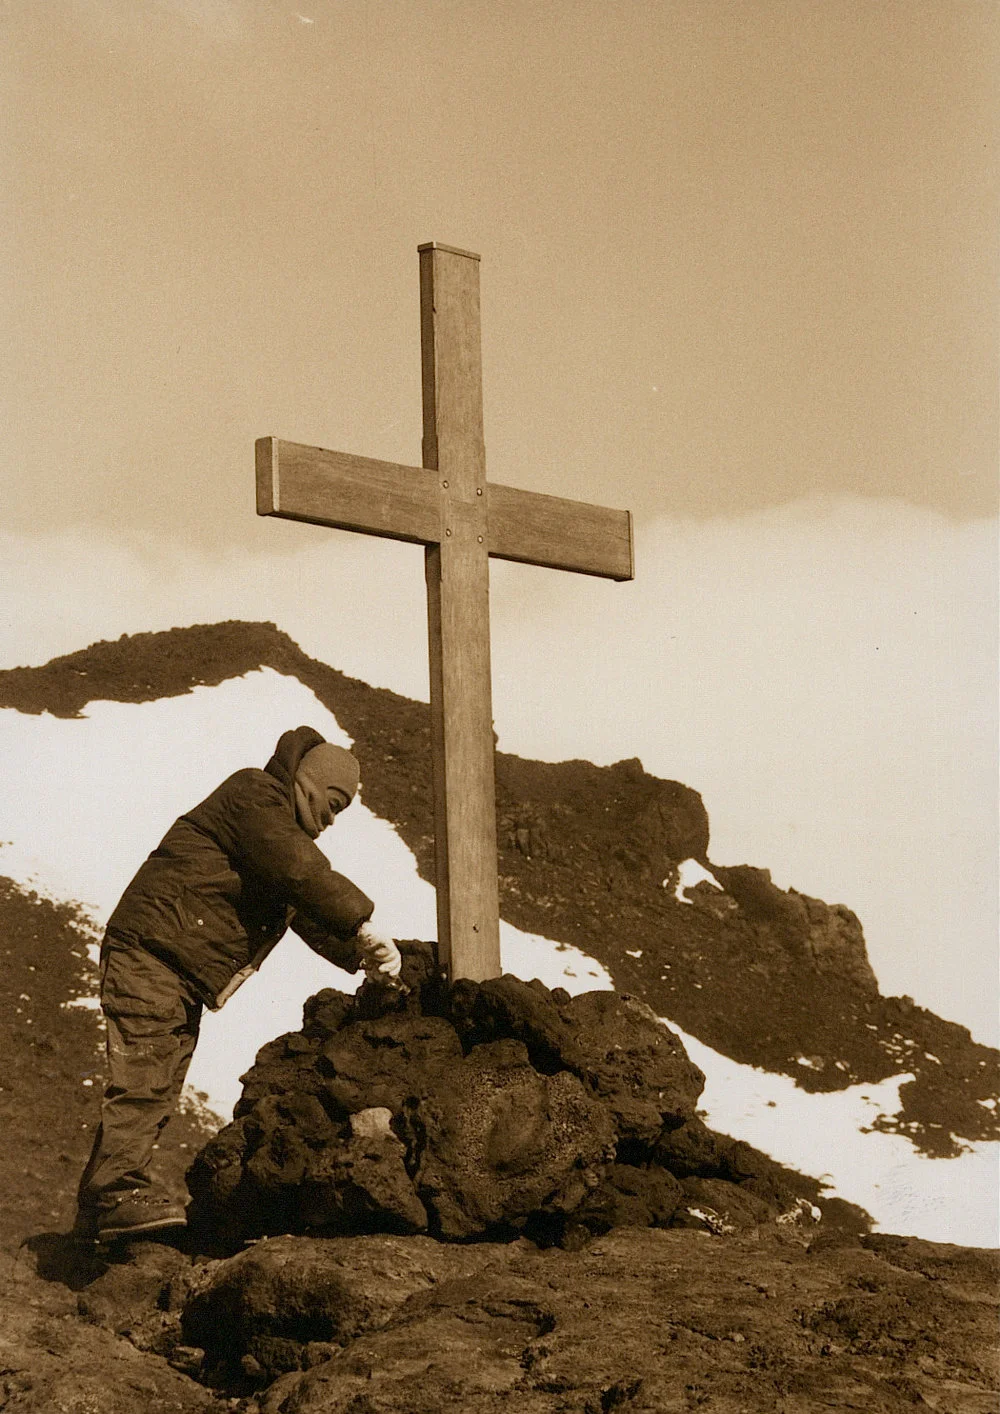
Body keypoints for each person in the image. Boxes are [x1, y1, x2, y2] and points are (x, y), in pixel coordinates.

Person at [74, 725, 401, 1243]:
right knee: (146, 1082)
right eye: (334, 804)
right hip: (152, 955)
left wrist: (363, 955)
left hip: (170, 966)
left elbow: (305, 909)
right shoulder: (255, 795)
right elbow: (299, 870)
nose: (332, 819)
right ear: (310, 783)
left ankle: (97, 1219)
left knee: (155, 1085)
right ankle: (115, 1195)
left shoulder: (273, 830)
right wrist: (361, 923)